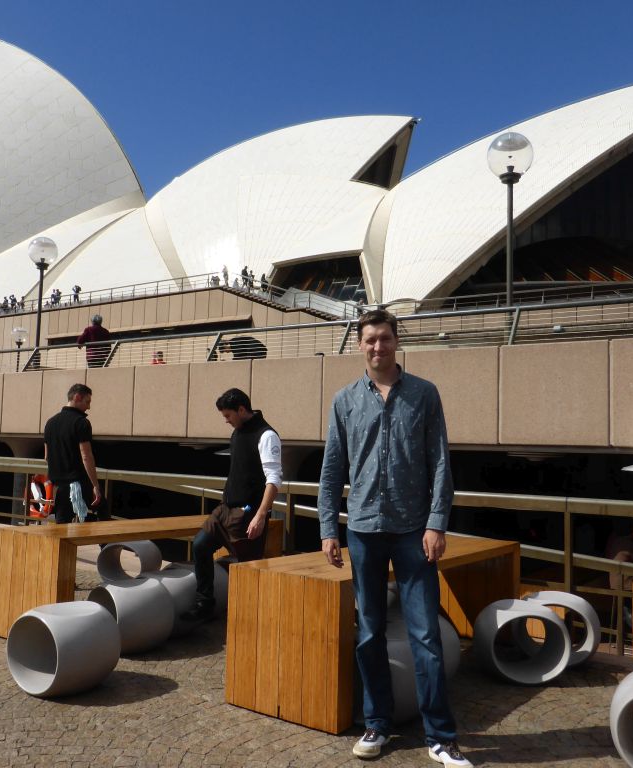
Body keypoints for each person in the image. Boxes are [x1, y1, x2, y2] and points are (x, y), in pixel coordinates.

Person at [317, 309, 470, 766]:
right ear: (360, 345)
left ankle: (440, 736)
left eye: (384, 338)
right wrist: (328, 528)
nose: (378, 347)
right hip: (363, 530)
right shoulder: (345, 400)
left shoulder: (424, 394)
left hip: (413, 532)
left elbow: (440, 462)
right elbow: (331, 470)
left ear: (396, 341)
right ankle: (377, 725)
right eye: (370, 340)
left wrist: (437, 522)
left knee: (425, 635)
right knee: (369, 633)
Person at [182, 388, 281, 621]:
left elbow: (274, 479)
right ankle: (205, 602)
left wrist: (260, 515)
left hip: (247, 513)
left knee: (248, 567)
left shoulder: (266, 436)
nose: (226, 421)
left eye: (228, 415)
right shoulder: (237, 432)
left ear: (242, 409)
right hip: (224, 509)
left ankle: (252, 616)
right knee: (200, 546)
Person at [43, 383, 101, 524]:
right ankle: (107, 546)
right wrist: (95, 485)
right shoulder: (82, 423)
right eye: (87, 402)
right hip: (78, 483)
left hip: (60, 485)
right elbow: (86, 456)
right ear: (77, 397)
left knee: (62, 524)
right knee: (102, 513)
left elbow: (46, 457)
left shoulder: (50, 423)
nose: (88, 407)